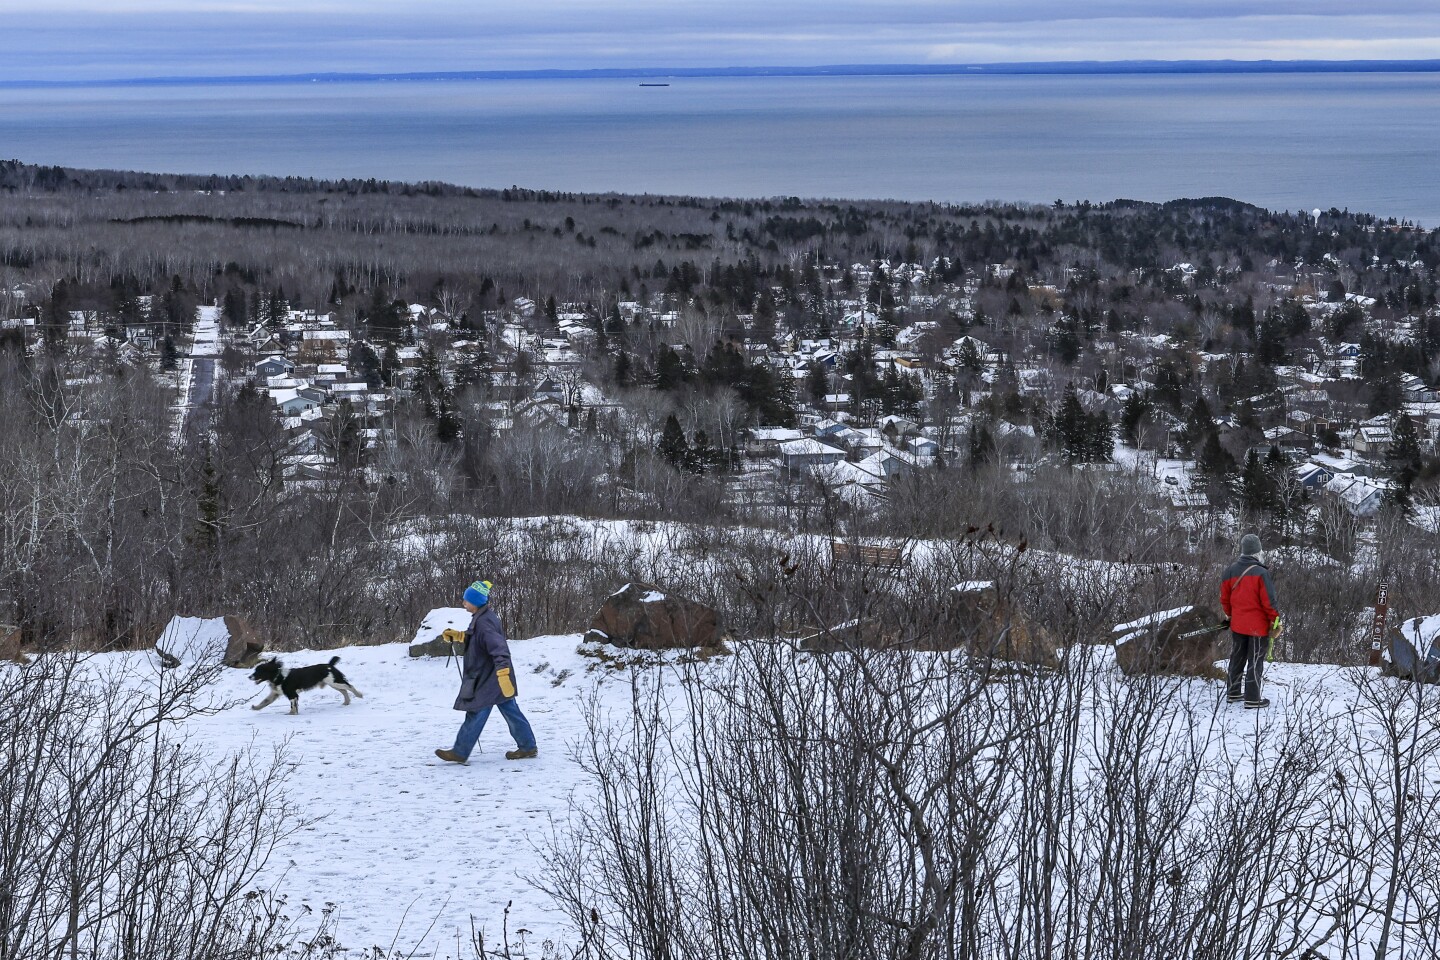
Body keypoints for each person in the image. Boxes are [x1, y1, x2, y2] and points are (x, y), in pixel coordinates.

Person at [435, 580, 538, 763]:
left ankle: (460, 752)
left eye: (466, 600)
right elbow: (477, 640)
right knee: (511, 711)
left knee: (476, 711)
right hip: (491, 677)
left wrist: (503, 675)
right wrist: (459, 636)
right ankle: (528, 746)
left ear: (476, 601)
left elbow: (499, 649)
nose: (463, 603)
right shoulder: (482, 618)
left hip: (491, 679)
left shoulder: (485, 622)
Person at [1220, 534, 1281, 710]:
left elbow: (1224, 599)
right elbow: (1269, 602)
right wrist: (1275, 621)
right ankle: (1252, 699)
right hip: (1258, 627)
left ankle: (1233, 692)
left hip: (1238, 624)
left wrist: (1230, 615)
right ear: (1257, 551)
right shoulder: (1261, 573)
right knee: (1255, 661)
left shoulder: (1229, 571)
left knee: (1237, 657)